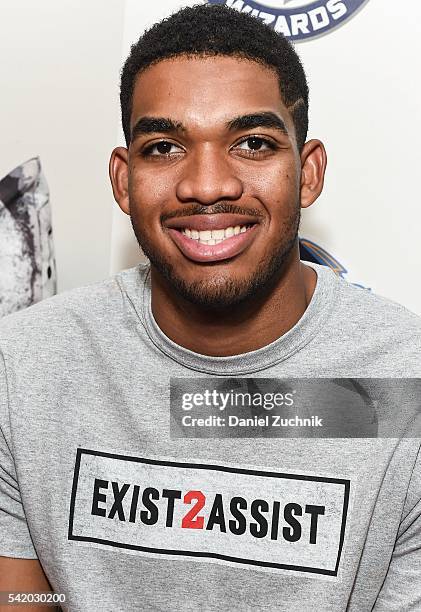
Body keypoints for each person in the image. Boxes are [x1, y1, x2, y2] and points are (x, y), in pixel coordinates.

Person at [1, 4, 421, 611]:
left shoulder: (403, 384)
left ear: (307, 174)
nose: (206, 184)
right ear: (123, 181)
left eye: (252, 143)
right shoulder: (24, 369)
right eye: (165, 147)